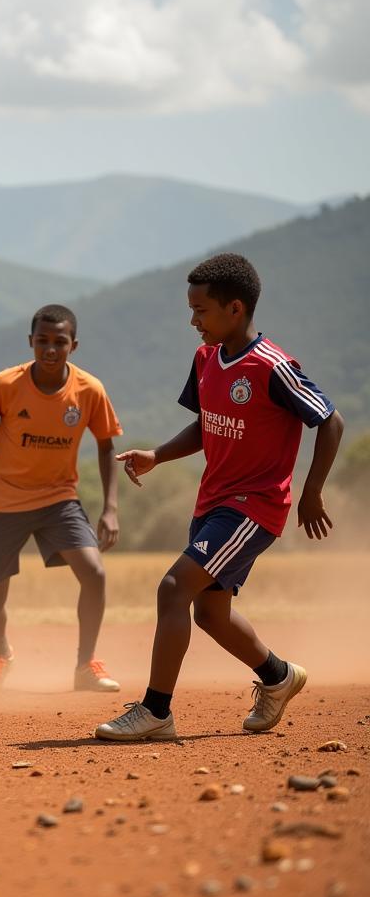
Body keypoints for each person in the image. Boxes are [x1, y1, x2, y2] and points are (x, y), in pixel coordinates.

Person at [95, 253, 344, 741]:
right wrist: (158, 455)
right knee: (210, 613)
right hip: (213, 502)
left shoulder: (273, 366)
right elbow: (206, 423)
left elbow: (330, 420)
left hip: (255, 506)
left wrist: (312, 490)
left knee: (172, 588)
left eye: (200, 311)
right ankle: (279, 676)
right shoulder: (207, 358)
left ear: (235, 308)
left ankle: (156, 712)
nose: (193, 321)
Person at [0, 303, 123, 693]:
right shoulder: (6, 384)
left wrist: (110, 508)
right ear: (30, 341)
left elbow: (107, 447)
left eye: (59, 342)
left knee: (94, 573)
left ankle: (85, 666)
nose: (50, 349)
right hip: (3, 501)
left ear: (73, 345)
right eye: (42, 341)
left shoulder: (89, 390)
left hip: (59, 498)